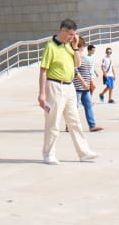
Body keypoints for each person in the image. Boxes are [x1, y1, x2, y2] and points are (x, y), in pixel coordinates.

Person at [37, 18, 99, 165]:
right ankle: (48, 154)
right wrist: (42, 93)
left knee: (75, 121)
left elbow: (77, 63)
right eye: (71, 34)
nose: (72, 37)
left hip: (70, 86)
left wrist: (76, 46)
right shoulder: (51, 47)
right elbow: (43, 70)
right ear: (63, 31)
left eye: (74, 35)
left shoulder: (70, 46)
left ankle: (83, 152)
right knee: (53, 122)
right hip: (55, 85)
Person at [72, 37, 102, 132]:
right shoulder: (75, 56)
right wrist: (83, 82)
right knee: (74, 107)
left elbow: (88, 71)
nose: (84, 47)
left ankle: (92, 125)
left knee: (88, 105)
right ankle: (70, 126)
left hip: (85, 87)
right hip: (77, 87)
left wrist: (90, 82)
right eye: (83, 45)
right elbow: (75, 70)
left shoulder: (84, 57)